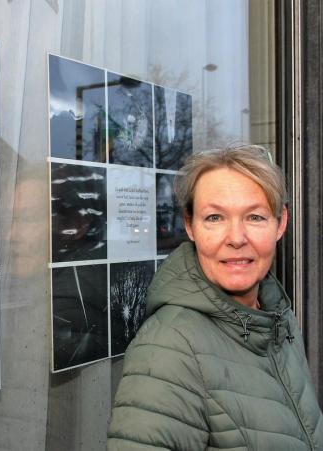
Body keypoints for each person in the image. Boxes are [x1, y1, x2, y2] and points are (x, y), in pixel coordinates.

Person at [107, 145, 323, 450]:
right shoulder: (170, 347)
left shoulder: (276, 318)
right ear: (190, 225)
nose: (236, 238)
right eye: (215, 218)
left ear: (281, 223)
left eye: (255, 217)